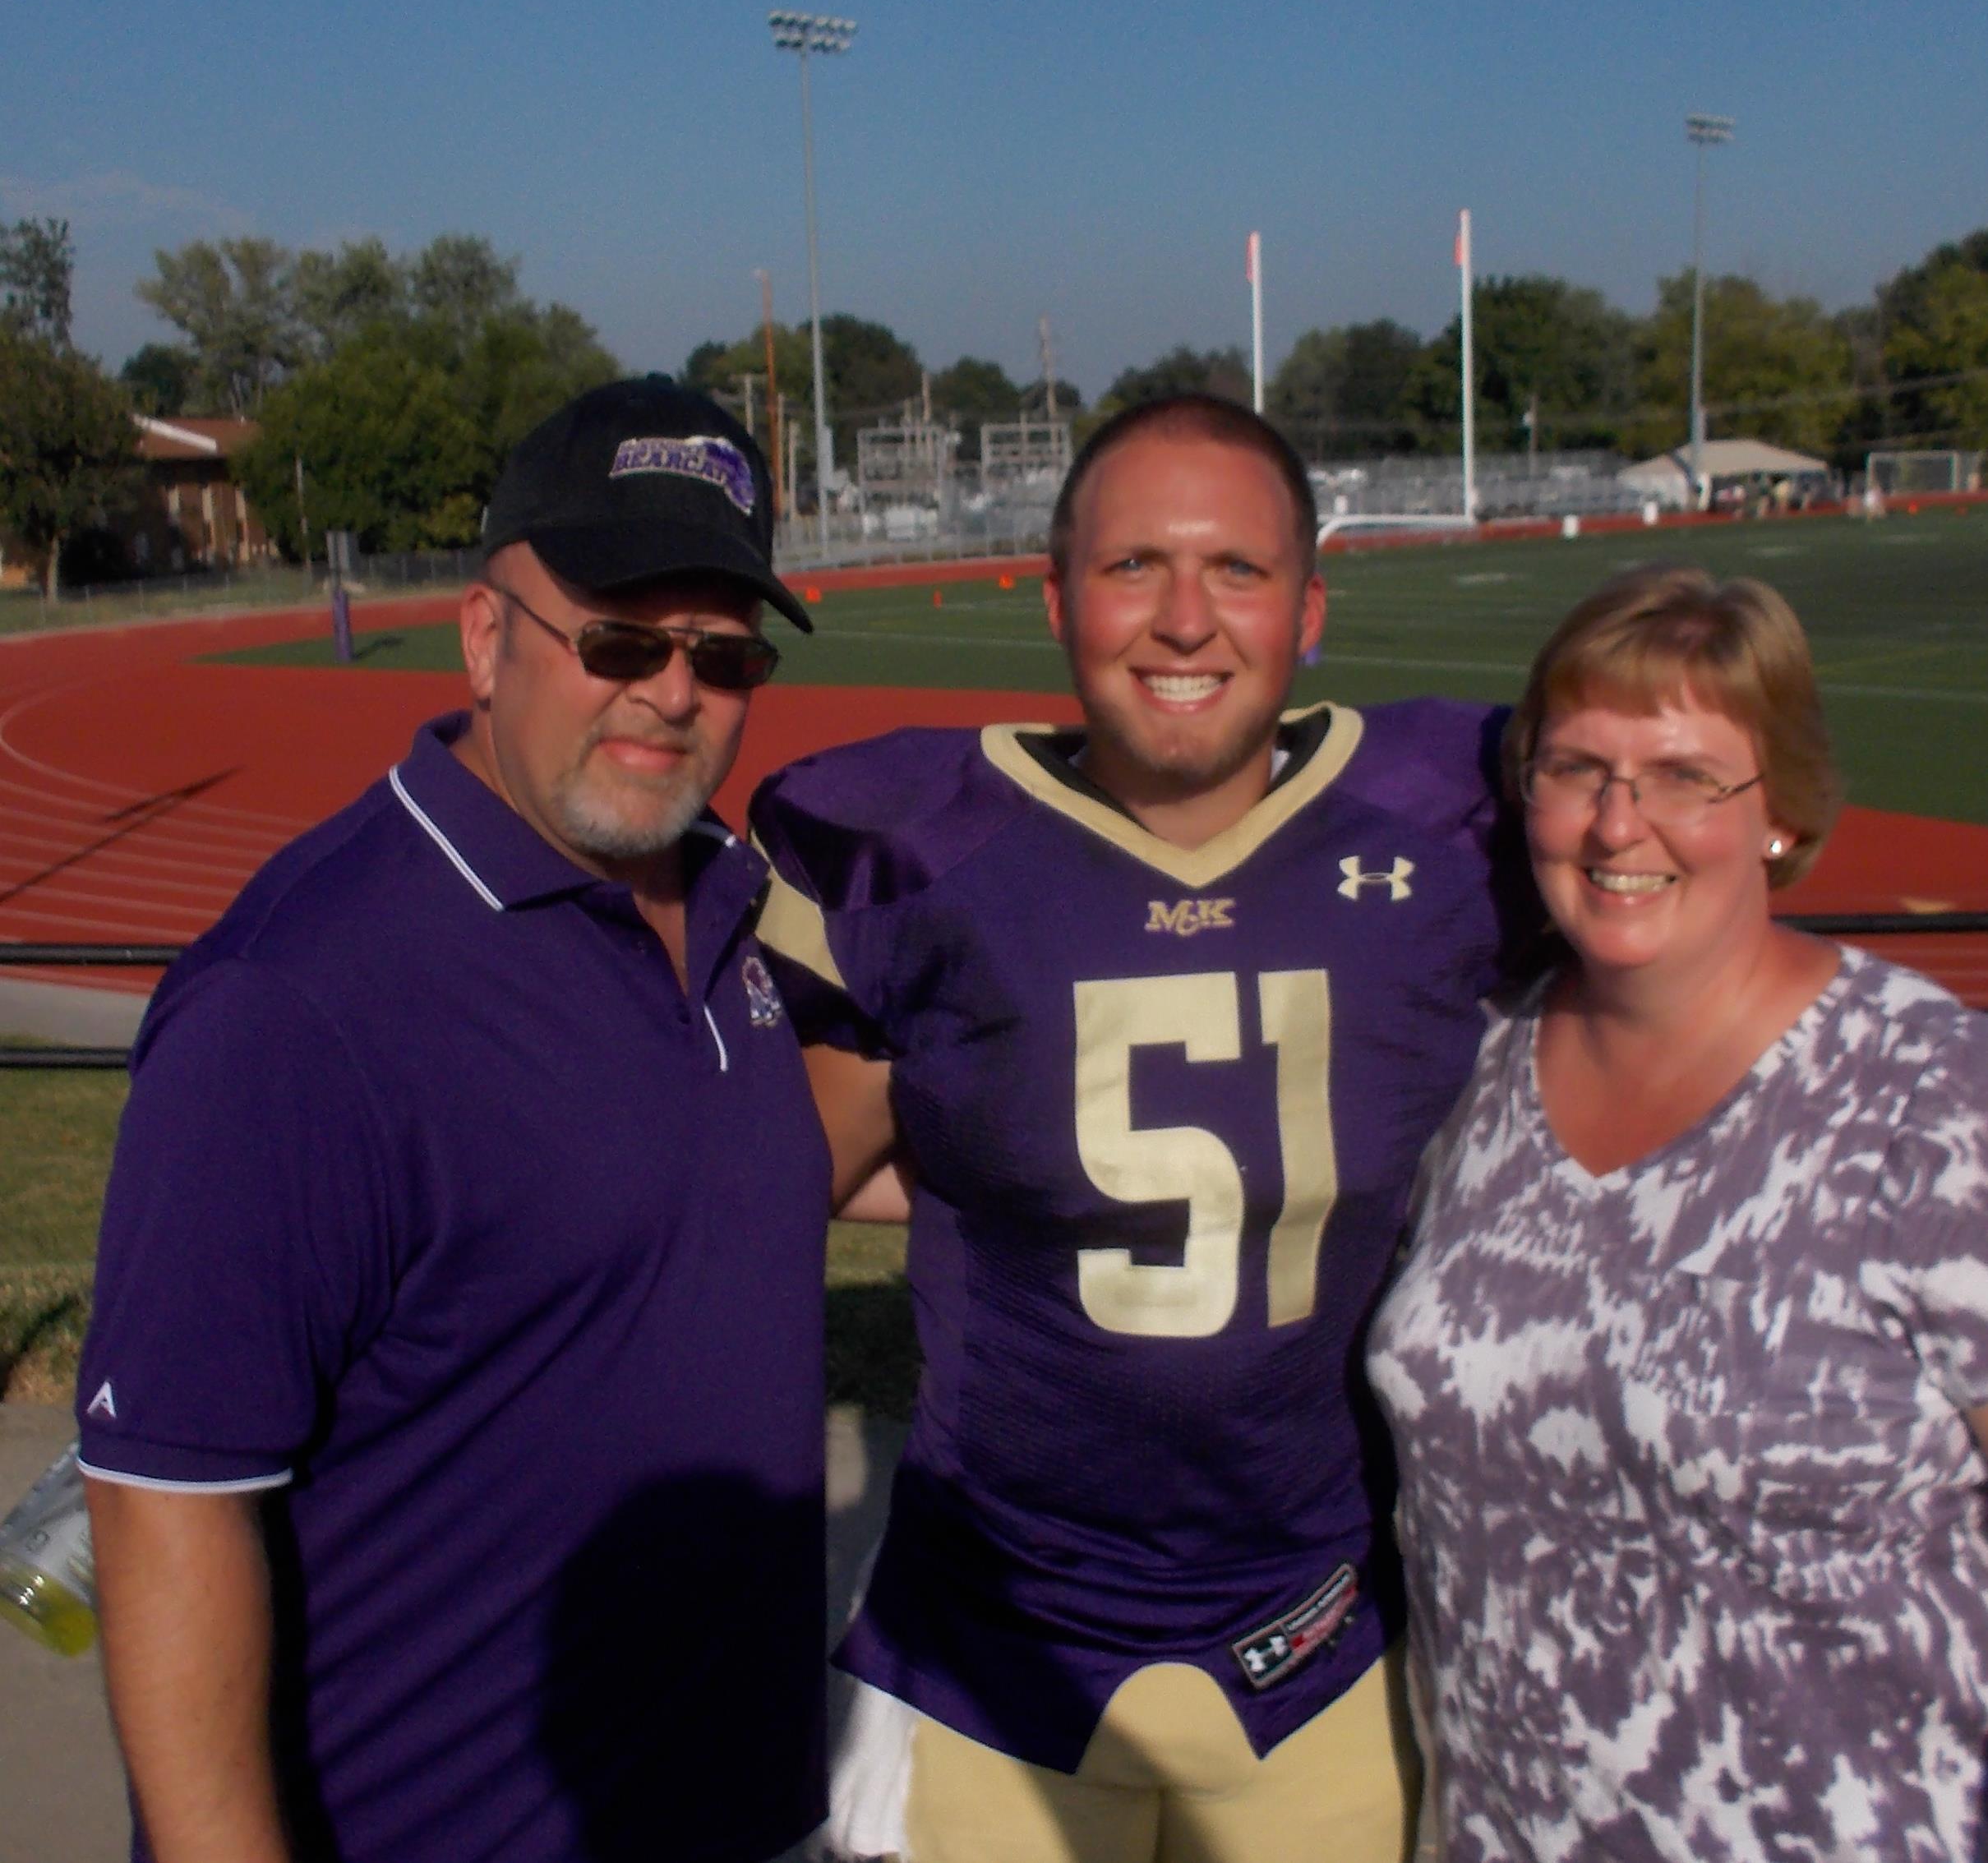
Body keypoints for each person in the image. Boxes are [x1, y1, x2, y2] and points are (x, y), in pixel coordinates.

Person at [750, 393, 1531, 1862]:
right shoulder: (914, 848)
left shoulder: (1445, 824)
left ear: (1309, 610)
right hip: (990, 1647)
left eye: (1236, 569)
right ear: (1053, 598)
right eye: (1132, 569)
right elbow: (785, 1183)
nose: (1184, 619)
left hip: (1327, 1639)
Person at [76, 377, 833, 1863]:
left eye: (722, 656)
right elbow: (169, 1503)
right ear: (487, 638)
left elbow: (747, 1177)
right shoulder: (295, 1004)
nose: (672, 693)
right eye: (618, 639)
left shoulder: (739, 905)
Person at [1368, 565, 1988, 1861]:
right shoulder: (1469, 1078)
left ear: (1783, 811)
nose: (1616, 824)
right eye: (1576, 767)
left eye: (1687, 776)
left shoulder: (1931, 1099)